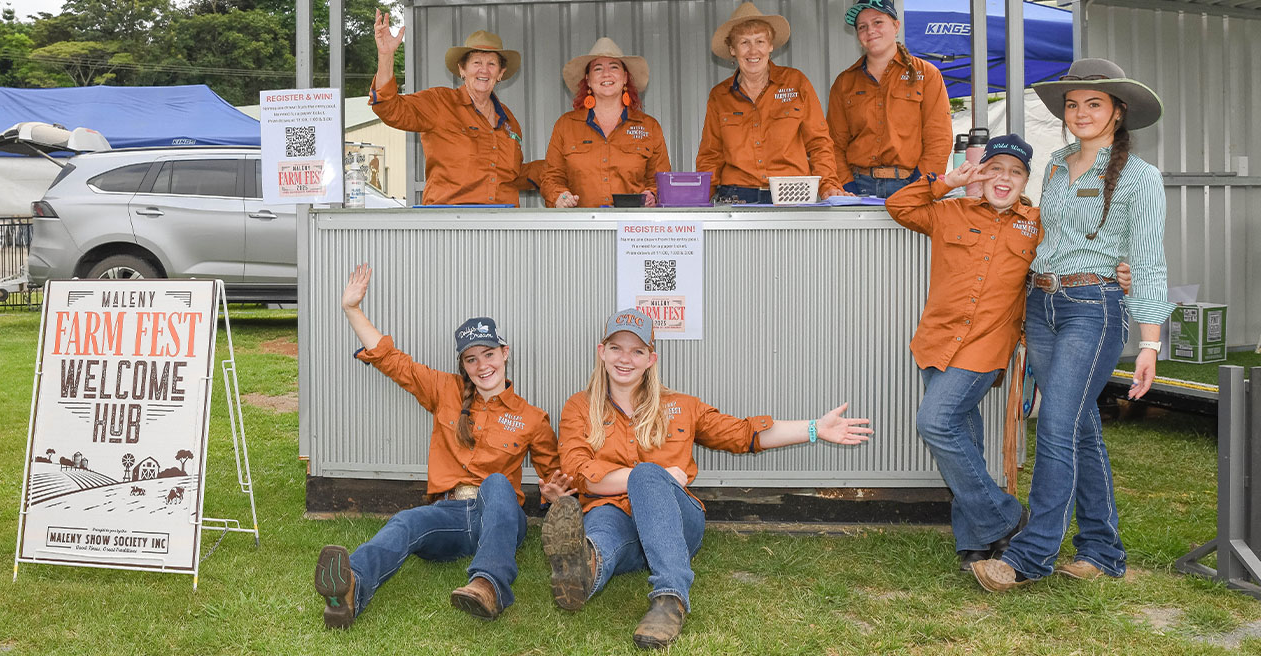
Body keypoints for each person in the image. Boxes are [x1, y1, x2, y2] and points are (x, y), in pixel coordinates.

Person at [542, 309, 873, 649]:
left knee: (646, 479)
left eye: (637, 351)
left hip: (679, 520)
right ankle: (583, 568)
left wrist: (815, 428)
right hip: (612, 512)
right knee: (604, 534)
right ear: (602, 352)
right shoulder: (579, 408)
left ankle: (670, 598)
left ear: (651, 359)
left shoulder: (683, 406)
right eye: (616, 348)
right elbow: (582, 475)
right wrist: (655, 476)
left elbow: (743, 434)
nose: (625, 359)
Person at [972, 58, 1173, 592]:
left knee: (1057, 426)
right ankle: (1102, 550)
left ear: (1118, 112)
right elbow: (1046, 236)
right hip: (1043, 307)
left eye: (1094, 103)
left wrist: (1150, 341)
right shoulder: (1056, 165)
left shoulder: (1140, 177)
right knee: (1079, 428)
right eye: (1073, 104)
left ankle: (1030, 556)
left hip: (1095, 308)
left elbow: (1149, 260)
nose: (1080, 112)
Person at [313, 264, 571, 627]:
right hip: (447, 515)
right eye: (471, 359)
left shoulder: (533, 417)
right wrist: (352, 309)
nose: (482, 366)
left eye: (489, 354)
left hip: (496, 518)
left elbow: (555, 479)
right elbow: (392, 361)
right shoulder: (445, 390)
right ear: (463, 365)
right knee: (405, 522)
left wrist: (555, 493)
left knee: (497, 482)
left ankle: (488, 584)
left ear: (505, 352)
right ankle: (351, 587)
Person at [886, 135, 1039, 572]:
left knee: (934, 422)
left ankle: (1008, 517)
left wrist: (1118, 273)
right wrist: (946, 180)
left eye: (1015, 172)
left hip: (986, 347)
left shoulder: (1038, 224)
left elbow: (1070, 259)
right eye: (996, 169)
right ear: (981, 172)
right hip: (935, 341)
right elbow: (899, 206)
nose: (1003, 178)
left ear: (1026, 181)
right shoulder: (950, 212)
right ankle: (976, 539)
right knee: (965, 437)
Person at [368, 10, 527, 205]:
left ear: (500, 73)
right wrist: (386, 56)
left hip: (501, 227)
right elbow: (389, 107)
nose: (484, 70)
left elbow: (515, 175)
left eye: (492, 64)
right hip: (450, 226)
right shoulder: (439, 102)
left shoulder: (510, 121)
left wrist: (558, 175)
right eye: (476, 62)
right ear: (462, 69)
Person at [696, 2, 848, 203]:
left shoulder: (796, 83)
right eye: (744, 43)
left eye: (759, 41)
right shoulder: (719, 96)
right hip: (736, 197)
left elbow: (819, 142)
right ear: (732, 49)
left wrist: (828, 185)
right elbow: (710, 155)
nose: (753, 51)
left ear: (770, 46)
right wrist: (699, 198)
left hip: (793, 192)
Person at [828, 0, 952, 198]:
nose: (870, 31)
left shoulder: (927, 74)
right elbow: (834, 144)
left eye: (878, 22)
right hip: (858, 187)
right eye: (862, 26)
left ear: (896, 26)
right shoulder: (844, 83)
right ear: (858, 35)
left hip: (911, 182)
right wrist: (848, 187)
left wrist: (920, 186)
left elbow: (939, 138)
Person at [540, 38, 672, 208]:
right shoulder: (565, 125)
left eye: (614, 67)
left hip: (632, 229)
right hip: (581, 228)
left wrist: (653, 194)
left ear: (625, 78)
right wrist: (559, 196)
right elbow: (551, 177)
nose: (606, 74)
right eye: (598, 68)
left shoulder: (649, 126)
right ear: (587, 80)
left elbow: (661, 178)